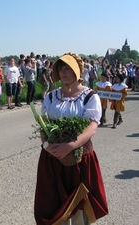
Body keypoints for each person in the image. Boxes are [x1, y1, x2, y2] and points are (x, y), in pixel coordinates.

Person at [34, 52, 108, 225]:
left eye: (67, 68)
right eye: (60, 69)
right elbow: (43, 124)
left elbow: (92, 127)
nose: (63, 73)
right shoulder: (51, 96)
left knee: (79, 208)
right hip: (51, 158)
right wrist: (45, 145)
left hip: (79, 158)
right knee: (54, 203)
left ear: (77, 70)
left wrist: (70, 146)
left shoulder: (90, 96)